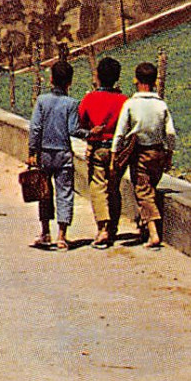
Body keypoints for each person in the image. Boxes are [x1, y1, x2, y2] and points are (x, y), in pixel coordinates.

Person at [111, 61, 177, 249]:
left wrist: (115, 154)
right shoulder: (161, 105)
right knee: (151, 188)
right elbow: (170, 133)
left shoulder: (131, 104)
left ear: (136, 81)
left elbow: (121, 131)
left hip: (140, 152)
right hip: (158, 152)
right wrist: (169, 153)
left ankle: (153, 233)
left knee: (143, 191)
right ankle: (145, 227)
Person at [27, 60, 79, 250]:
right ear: (70, 82)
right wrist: (90, 133)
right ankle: (62, 236)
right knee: (64, 192)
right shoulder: (72, 104)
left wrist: (32, 151)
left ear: (51, 80)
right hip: (63, 153)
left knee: (44, 192)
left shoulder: (42, 101)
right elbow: (74, 130)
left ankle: (45, 232)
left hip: (44, 154)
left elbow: (35, 128)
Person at [77, 57, 128, 249]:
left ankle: (103, 228)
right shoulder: (123, 100)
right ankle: (113, 227)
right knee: (114, 187)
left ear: (97, 76)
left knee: (98, 187)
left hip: (98, 147)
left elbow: (80, 121)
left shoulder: (90, 98)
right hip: (117, 150)